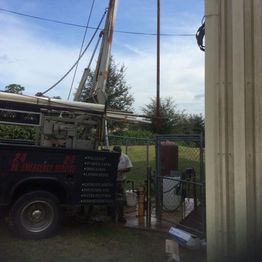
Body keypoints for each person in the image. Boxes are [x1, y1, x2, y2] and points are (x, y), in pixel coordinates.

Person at [113, 145, 133, 223]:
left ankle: (121, 217)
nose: (117, 155)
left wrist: (120, 170)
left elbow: (129, 168)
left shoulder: (125, 157)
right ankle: (112, 216)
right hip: (112, 181)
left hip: (121, 181)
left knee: (121, 199)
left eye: (118, 153)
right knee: (112, 198)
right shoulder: (110, 157)